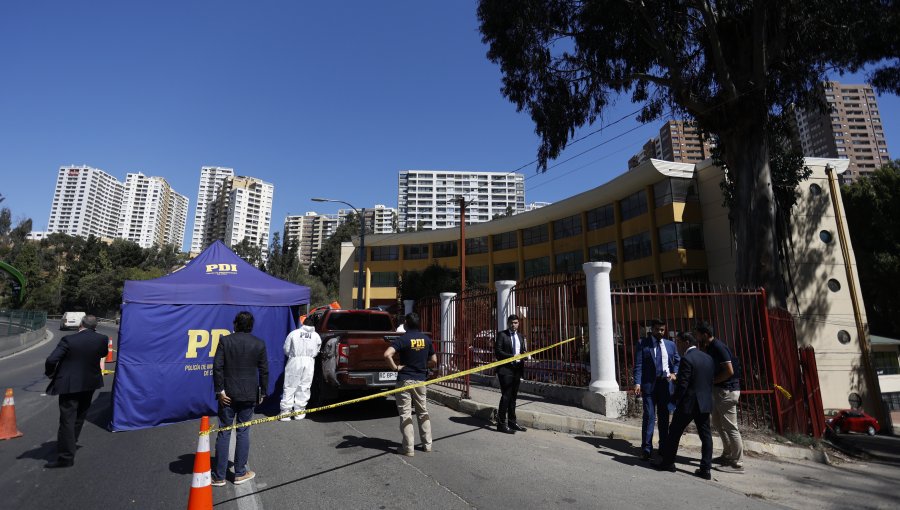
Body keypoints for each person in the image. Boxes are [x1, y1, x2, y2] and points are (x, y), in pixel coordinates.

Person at [43, 314, 109, 468]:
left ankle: (66, 456)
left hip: (69, 384)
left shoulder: (69, 340)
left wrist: (50, 373)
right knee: (81, 414)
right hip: (90, 382)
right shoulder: (102, 339)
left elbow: (52, 359)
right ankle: (72, 441)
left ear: (81, 324)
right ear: (95, 327)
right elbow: (103, 354)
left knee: (67, 417)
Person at [212, 311, 269, 486]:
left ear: (235, 324)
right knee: (243, 432)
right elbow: (264, 371)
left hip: (227, 394)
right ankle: (240, 473)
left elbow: (217, 367)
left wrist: (220, 391)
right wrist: (263, 393)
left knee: (224, 430)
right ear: (251, 326)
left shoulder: (225, 340)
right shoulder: (259, 343)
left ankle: (219, 476)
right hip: (249, 394)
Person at [656, 332, 715, 479]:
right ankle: (706, 469)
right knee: (706, 435)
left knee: (674, 432)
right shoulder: (708, 358)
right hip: (704, 403)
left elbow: (683, 384)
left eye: (679, 342)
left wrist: (674, 399)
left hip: (688, 404)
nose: (678, 345)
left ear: (687, 342)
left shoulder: (687, 359)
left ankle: (668, 463)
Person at [383, 312, 437, 456]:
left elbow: (387, 354)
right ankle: (427, 445)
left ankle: (408, 448)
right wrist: (422, 365)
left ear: (406, 323)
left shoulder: (403, 339)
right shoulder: (426, 339)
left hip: (405, 380)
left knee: (406, 414)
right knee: (422, 412)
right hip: (420, 380)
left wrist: (395, 368)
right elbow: (434, 361)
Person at [694, 320, 744, 473]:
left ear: (705, 334)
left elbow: (729, 371)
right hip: (719, 391)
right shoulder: (709, 347)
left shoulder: (718, 347)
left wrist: (713, 381)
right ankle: (727, 454)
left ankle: (737, 462)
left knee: (730, 427)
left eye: (698, 334)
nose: (696, 337)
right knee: (716, 422)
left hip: (727, 391)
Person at [633, 318, 680, 460]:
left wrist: (675, 373)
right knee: (649, 416)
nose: (660, 332)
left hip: (665, 385)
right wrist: (637, 383)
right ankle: (646, 448)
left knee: (664, 417)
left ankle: (663, 447)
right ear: (651, 330)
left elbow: (678, 361)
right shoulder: (643, 344)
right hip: (649, 386)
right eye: (657, 329)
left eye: (662, 329)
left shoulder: (670, 345)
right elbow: (639, 365)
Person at [279, 323, 322, 421]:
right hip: (309, 361)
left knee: (290, 385)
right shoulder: (316, 336)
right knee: (305, 386)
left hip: (295, 360)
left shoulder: (294, 333)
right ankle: (299, 412)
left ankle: (285, 413)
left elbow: (286, 348)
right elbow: (318, 350)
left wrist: (293, 356)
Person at [494, 314, 528, 434]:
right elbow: (498, 352)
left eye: (516, 322)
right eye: (512, 323)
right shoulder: (502, 335)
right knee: (506, 397)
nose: (514, 325)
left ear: (519, 324)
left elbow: (522, 351)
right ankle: (501, 424)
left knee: (513, 397)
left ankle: (512, 422)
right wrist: (512, 356)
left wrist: (526, 355)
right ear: (508, 323)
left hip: (517, 370)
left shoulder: (520, 336)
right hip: (505, 370)